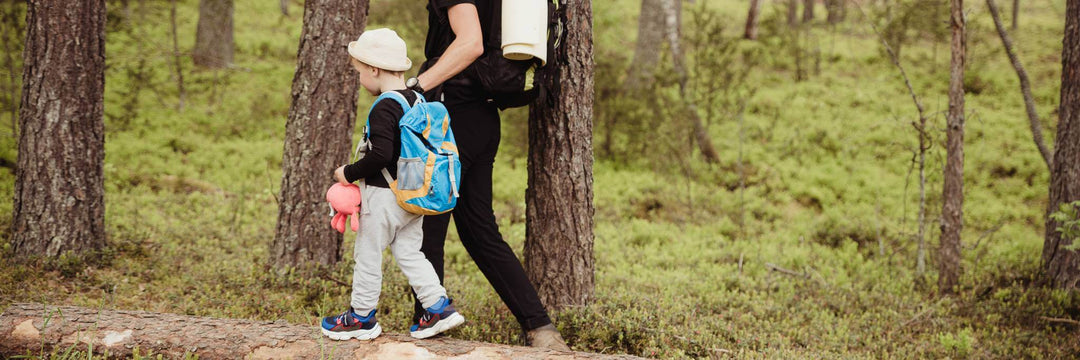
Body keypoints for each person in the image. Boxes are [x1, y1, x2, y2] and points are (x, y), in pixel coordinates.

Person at [405, 0, 571, 350]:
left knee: (426, 225)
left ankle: (429, 329)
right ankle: (541, 329)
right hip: (483, 118)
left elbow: (471, 43)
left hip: (450, 118)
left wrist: (415, 88)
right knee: (480, 232)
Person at [320, 28, 465, 341]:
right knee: (411, 254)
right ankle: (437, 307)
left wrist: (348, 172)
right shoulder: (417, 98)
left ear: (374, 69)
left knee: (368, 255)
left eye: (360, 72)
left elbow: (382, 155)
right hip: (410, 198)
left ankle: (361, 317)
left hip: (383, 198)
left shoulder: (385, 105)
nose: (360, 79)